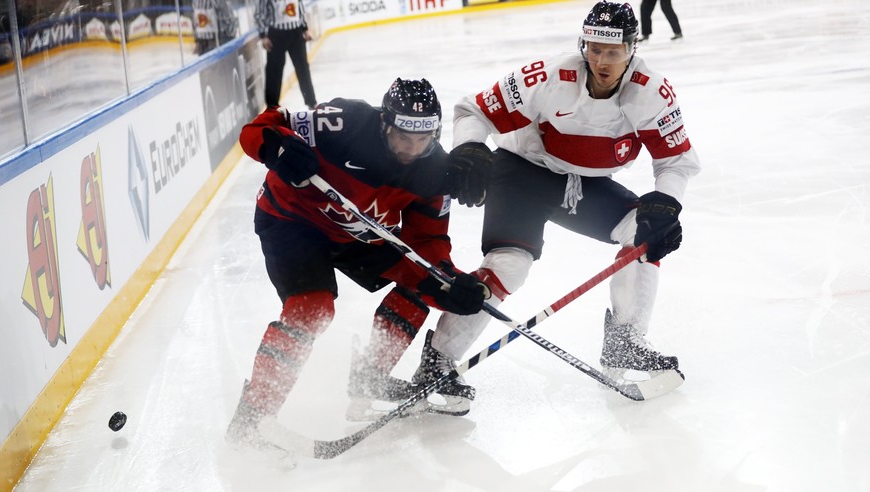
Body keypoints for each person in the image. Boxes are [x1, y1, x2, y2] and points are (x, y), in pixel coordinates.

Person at [410, 0, 700, 411]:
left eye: (612, 52)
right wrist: (471, 148)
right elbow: (473, 108)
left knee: (645, 233)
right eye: (594, 48)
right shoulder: (547, 76)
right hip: (522, 171)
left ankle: (624, 341)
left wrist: (666, 204)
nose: (600, 60)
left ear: (632, 49)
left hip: (582, 184)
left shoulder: (652, 93)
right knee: (509, 266)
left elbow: (676, 162)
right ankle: (437, 362)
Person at [226, 78, 491, 453]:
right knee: (311, 309)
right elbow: (261, 126)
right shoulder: (342, 123)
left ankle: (370, 379)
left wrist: (450, 284)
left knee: (428, 284)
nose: (412, 149)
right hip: (292, 222)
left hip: (359, 234)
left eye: (423, 139)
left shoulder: (435, 172)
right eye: (403, 137)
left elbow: (427, 243)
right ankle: (251, 418)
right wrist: (276, 146)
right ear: (385, 123)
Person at [254, 0, 317, 109]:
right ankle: (272, 106)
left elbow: (300, 8)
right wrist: (263, 35)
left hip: (296, 33)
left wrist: (305, 29)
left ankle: (311, 102)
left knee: (303, 68)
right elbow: (259, 14)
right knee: (274, 71)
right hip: (276, 34)